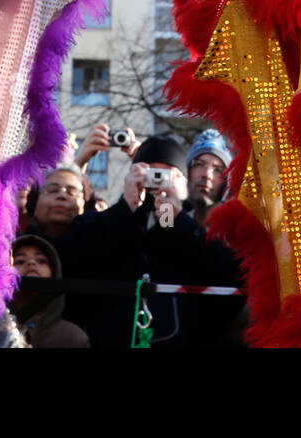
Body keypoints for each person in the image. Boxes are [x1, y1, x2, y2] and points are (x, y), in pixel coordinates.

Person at [56, 134, 244, 348]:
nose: (157, 180)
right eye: (150, 172)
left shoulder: (192, 234)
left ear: (184, 181)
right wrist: (126, 208)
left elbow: (230, 282)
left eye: (166, 174)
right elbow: (68, 260)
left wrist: (177, 219)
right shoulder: (109, 223)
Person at [0, 236, 89, 349]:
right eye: (20, 261)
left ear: (55, 271)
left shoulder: (71, 335)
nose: (31, 263)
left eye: (41, 260)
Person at [25, 165, 87, 242]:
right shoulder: (11, 247)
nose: (62, 196)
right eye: (52, 190)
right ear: (35, 202)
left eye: (72, 192)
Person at [185, 129, 231, 227]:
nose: (207, 175)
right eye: (199, 164)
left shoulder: (235, 233)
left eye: (218, 170)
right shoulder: (173, 220)